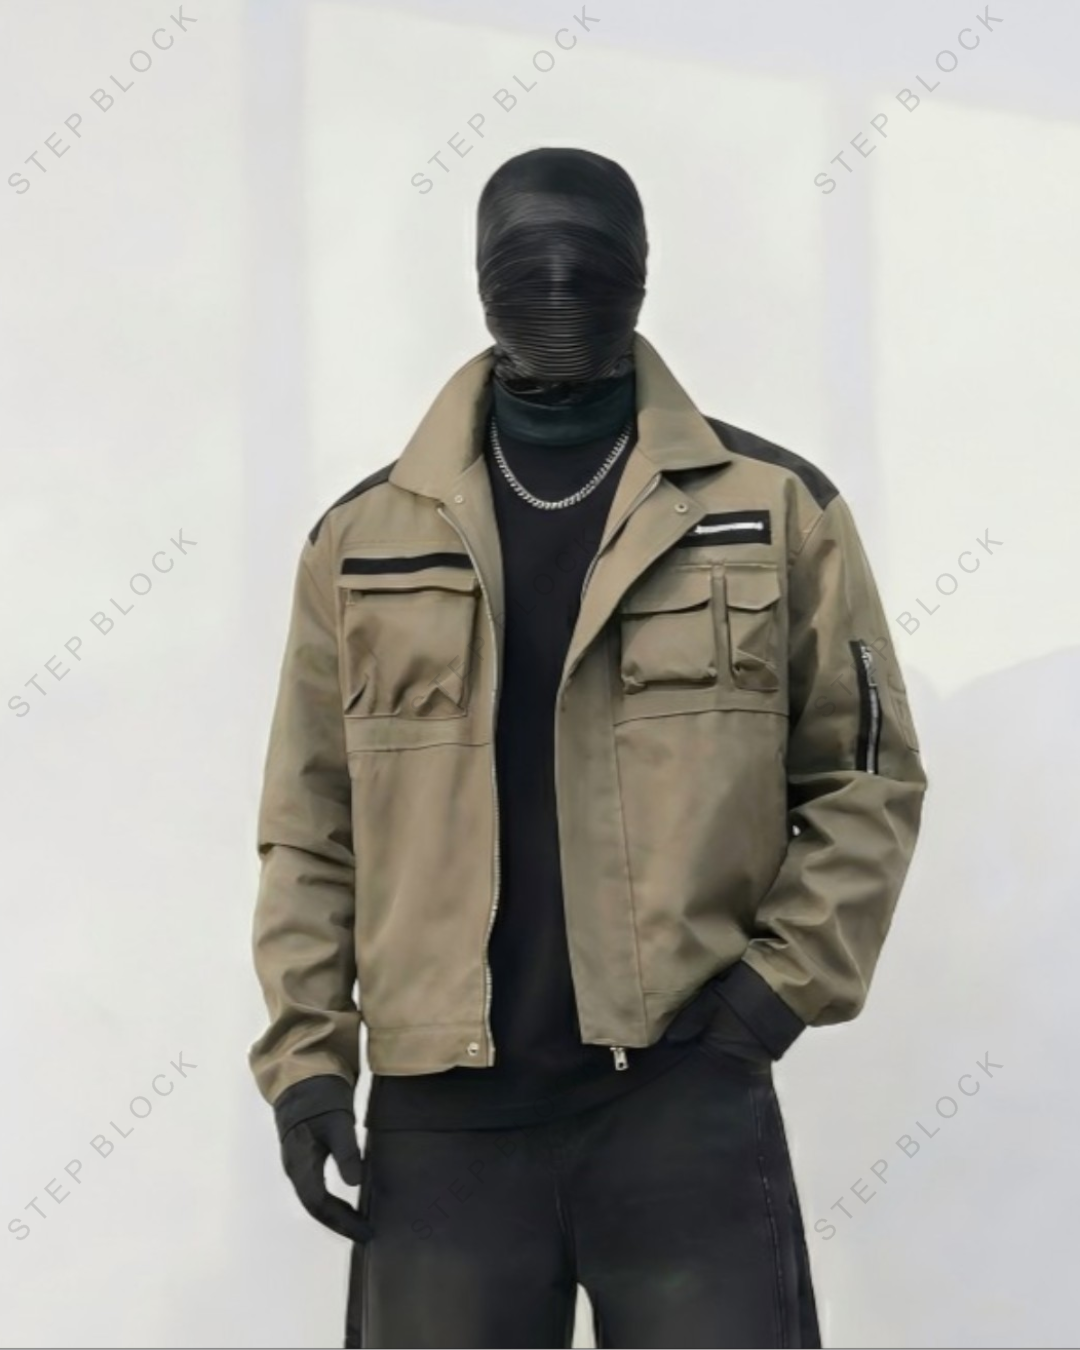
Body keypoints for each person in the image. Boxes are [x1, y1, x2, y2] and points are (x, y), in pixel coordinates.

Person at [248, 147, 928, 1349]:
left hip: (680, 1096)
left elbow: (866, 777)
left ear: (642, 274)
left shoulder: (773, 509)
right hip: (442, 1121)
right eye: (528, 262)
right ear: (480, 278)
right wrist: (309, 1062)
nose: (559, 288)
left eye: (590, 261)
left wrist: (765, 1003)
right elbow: (311, 826)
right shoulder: (362, 538)